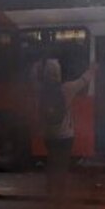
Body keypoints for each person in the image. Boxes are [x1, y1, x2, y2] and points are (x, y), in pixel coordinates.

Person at [40, 59, 96, 198]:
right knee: (62, 165)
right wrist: (93, 69)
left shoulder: (40, 89)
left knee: (52, 160)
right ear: (58, 73)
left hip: (48, 134)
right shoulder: (66, 89)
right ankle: (60, 194)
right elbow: (83, 81)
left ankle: (50, 190)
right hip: (65, 135)